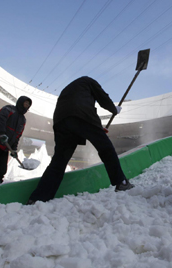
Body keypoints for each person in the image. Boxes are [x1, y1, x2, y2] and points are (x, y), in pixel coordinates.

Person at [27, 76, 134, 204]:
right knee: (106, 148)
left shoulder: (71, 89)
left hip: (61, 120)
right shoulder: (89, 81)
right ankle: (121, 182)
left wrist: (97, 129)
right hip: (81, 114)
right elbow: (102, 98)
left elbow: (76, 117)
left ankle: (38, 197)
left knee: (59, 161)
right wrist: (113, 109)